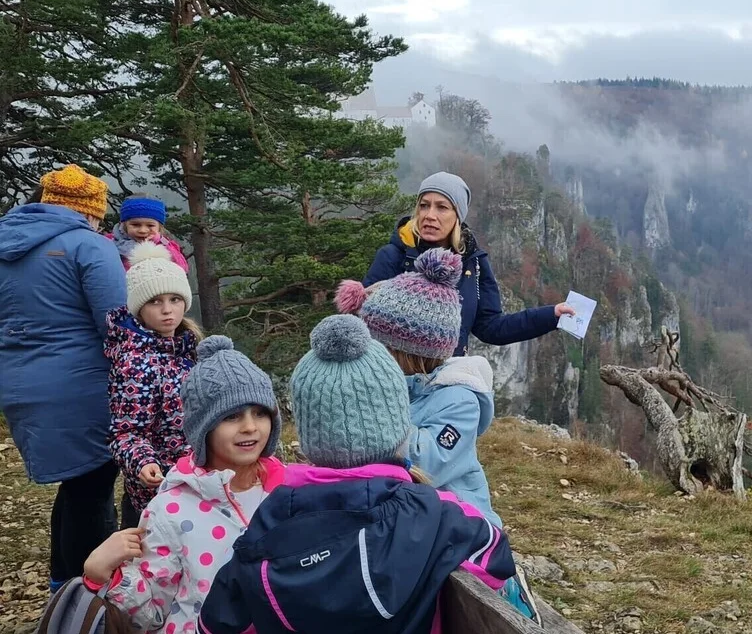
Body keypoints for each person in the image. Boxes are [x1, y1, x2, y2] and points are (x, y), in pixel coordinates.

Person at [198, 314, 521, 632]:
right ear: (397, 427)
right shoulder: (437, 511)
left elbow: (217, 623)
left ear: (311, 439)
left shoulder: (270, 519)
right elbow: (493, 564)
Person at [81, 335, 285, 634]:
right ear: (202, 427)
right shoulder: (170, 509)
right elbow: (148, 616)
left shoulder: (289, 491)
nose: (250, 427)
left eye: (260, 412)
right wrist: (103, 574)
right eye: (231, 415)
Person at [0, 165, 127, 592]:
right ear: (90, 211)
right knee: (93, 489)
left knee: (78, 485)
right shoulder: (89, 245)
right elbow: (116, 324)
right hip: (81, 384)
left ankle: (61, 584)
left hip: (17, 382)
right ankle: (90, 595)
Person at [338, 249, 502, 528]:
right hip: (405, 520)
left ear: (407, 353)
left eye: (378, 347)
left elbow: (425, 464)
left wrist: (368, 406)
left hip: (461, 528)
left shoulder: (460, 400)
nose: (369, 356)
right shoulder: (392, 384)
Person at [362, 171, 573, 356]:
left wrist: (551, 315)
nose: (429, 215)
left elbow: (491, 327)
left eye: (442, 207)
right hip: (395, 381)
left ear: (458, 216)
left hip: (446, 382)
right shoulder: (394, 256)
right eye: (424, 206)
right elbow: (363, 322)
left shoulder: (474, 263)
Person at [105, 242, 202, 529]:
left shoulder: (189, 346)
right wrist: (143, 462)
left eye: (175, 299)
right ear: (138, 307)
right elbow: (125, 432)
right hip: (160, 488)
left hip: (199, 477)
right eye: (155, 301)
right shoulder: (135, 362)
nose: (167, 310)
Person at [107, 194, 189, 272]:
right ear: (124, 225)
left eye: (150, 225)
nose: (143, 230)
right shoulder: (110, 242)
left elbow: (182, 267)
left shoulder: (165, 244)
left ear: (159, 227)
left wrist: (161, 242)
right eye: (135, 225)